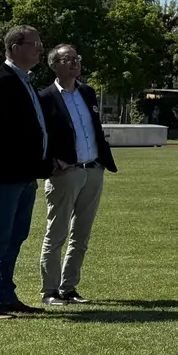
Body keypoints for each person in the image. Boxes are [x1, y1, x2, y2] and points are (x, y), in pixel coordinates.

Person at [0, 26, 53, 319]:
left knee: (15, 235)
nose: (40, 50)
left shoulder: (25, 82)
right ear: (15, 46)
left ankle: (5, 295)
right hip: (4, 175)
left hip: (25, 174)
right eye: (35, 45)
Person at [37, 44, 118, 308]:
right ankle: (49, 291)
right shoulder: (45, 97)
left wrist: (101, 162)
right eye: (67, 59)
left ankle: (68, 288)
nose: (74, 63)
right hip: (65, 174)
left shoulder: (87, 92)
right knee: (57, 234)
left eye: (76, 58)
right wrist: (51, 163)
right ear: (54, 65)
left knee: (81, 235)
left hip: (93, 170)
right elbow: (39, 136)